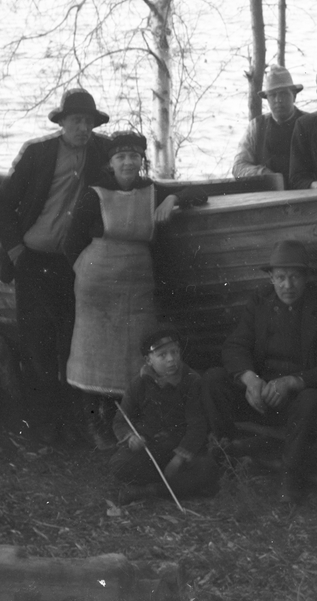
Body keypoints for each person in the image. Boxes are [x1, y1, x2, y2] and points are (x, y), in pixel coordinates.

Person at [63, 131, 207, 444]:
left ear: (141, 160)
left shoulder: (151, 190)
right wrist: (86, 270)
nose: (128, 162)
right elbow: (71, 242)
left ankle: (124, 421)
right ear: (111, 163)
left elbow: (200, 192)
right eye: (121, 157)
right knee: (94, 353)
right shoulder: (94, 194)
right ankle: (96, 424)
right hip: (97, 283)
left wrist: (173, 199)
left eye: (133, 156)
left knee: (133, 353)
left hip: (138, 282)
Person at [0, 88, 111, 444]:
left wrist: (175, 196)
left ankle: (74, 425)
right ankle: (42, 428)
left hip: (74, 263)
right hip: (32, 261)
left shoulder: (102, 151)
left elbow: (131, 174)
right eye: (77, 121)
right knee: (36, 344)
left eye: (89, 122)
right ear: (62, 122)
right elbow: (1, 203)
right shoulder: (38, 153)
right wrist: (16, 252)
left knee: (74, 345)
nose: (83, 128)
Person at [201, 240, 317, 503]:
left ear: (306, 277)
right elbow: (235, 345)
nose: (287, 285)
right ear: (271, 277)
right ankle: (228, 461)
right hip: (260, 398)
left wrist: (291, 382)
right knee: (214, 379)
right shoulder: (260, 300)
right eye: (280, 277)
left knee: (312, 401)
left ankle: (290, 477)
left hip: (300, 402)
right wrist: (250, 380)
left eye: (294, 277)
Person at [110, 326, 221, 504]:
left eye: (174, 352)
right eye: (162, 355)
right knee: (119, 464)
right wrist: (131, 438)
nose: (171, 359)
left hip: (182, 450)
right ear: (149, 360)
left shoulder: (192, 381)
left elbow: (197, 426)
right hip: (152, 449)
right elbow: (120, 420)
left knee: (207, 468)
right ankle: (178, 486)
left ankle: (148, 491)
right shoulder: (139, 384)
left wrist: (178, 459)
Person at [231, 64, 306, 183]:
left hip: (305, 192)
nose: (278, 100)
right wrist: (262, 173)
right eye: (273, 95)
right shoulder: (256, 127)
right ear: (267, 99)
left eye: (284, 93)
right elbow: (238, 166)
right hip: (268, 192)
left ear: (294, 96)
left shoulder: (309, 123)